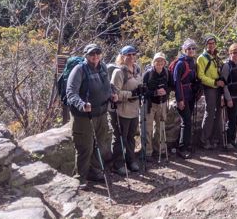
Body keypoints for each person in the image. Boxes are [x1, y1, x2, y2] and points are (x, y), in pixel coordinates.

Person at [66, 43, 117, 183]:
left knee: (99, 144)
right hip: (84, 116)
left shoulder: (103, 67)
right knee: (85, 147)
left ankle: (94, 172)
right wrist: (81, 104)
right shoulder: (79, 70)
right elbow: (71, 92)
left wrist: (113, 93)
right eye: (91, 54)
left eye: (97, 53)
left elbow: (108, 86)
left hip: (101, 113)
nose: (95, 56)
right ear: (86, 55)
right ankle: (80, 178)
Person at [110, 45, 144, 175]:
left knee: (131, 137)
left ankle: (131, 161)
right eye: (128, 55)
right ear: (122, 56)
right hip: (122, 110)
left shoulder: (137, 69)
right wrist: (132, 94)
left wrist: (141, 90)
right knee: (120, 138)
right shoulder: (119, 72)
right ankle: (118, 164)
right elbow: (115, 94)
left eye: (133, 54)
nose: (131, 57)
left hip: (134, 110)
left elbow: (138, 85)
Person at [197, 35, 224, 150]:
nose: (211, 45)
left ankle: (214, 138)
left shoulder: (216, 57)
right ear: (205, 44)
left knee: (218, 112)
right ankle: (204, 139)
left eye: (213, 43)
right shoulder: (202, 58)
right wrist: (214, 82)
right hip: (210, 87)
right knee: (210, 112)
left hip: (218, 87)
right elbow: (201, 76)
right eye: (209, 43)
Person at [174, 39, 199, 159]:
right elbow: (177, 82)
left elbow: (192, 80)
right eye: (189, 48)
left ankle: (185, 144)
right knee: (186, 122)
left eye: (193, 48)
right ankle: (182, 148)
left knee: (187, 122)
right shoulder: (180, 63)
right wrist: (180, 100)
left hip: (190, 95)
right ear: (184, 50)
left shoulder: (192, 62)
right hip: (183, 96)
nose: (191, 50)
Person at [142, 52, 169, 159]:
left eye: (162, 61)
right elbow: (143, 91)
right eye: (157, 60)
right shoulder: (147, 74)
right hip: (149, 104)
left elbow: (170, 86)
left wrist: (165, 91)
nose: (159, 63)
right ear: (153, 62)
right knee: (147, 129)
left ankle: (160, 149)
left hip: (162, 103)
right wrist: (155, 93)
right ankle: (148, 152)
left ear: (164, 62)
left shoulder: (167, 73)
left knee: (160, 128)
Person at [221, 43, 237, 149]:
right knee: (230, 120)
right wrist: (228, 98)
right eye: (234, 53)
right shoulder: (227, 65)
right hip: (231, 97)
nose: (236, 55)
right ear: (230, 53)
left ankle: (232, 140)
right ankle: (227, 142)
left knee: (236, 119)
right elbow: (224, 84)